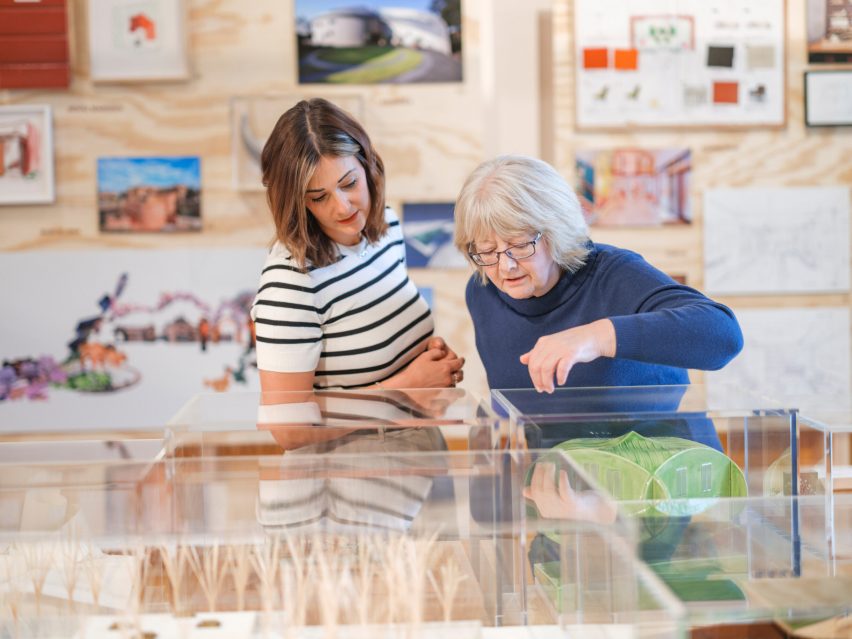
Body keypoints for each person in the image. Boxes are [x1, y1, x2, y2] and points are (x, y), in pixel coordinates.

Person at [453, 154, 743, 395]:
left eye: (520, 244)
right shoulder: (482, 292)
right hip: (562, 464)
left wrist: (595, 337)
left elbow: (723, 336)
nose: (506, 266)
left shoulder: (611, 274)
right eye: (488, 250)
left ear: (557, 232)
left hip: (663, 459)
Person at [251, 98, 464, 394]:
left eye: (349, 183)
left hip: (414, 430)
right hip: (352, 442)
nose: (342, 207)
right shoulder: (291, 281)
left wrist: (429, 359)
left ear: (367, 166)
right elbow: (288, 424)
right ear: (297, 203)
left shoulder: (386, 225)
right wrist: (408, 386)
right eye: (318, 197)